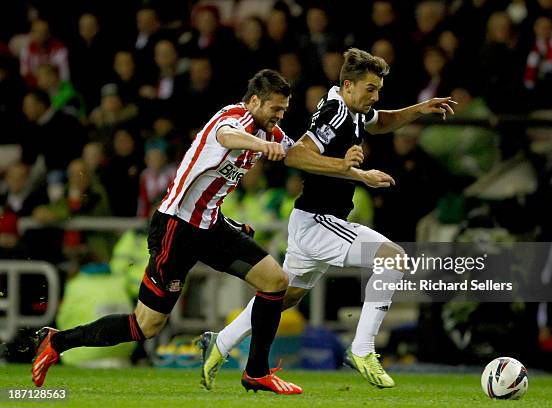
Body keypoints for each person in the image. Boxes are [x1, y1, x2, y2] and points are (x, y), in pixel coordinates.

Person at [31, 69, 303, 395]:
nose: (280, 116)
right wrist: (262, 144)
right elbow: (226, 137)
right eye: (275, 108)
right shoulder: (233, 118)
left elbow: (298, 151)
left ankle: (256, 371)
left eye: (284, 110)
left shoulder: (268, 130)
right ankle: (57, 341)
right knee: (145, 325)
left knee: (275, 281)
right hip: (176, 226)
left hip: (210, 225)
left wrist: (345, 166)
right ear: (255, 101)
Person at [200, 48, 455, 389]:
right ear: (348, 85)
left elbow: (382, 122)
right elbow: (295, 155)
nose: (375, 96)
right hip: (320, 220)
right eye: (370, 89)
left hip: (311, 222)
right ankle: (363, 349)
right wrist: (348, 169)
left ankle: (220, 342)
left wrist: (420, 109)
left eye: (378, 89)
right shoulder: (335, 114)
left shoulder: (352, 110)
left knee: (285, 297)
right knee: (393, 257)